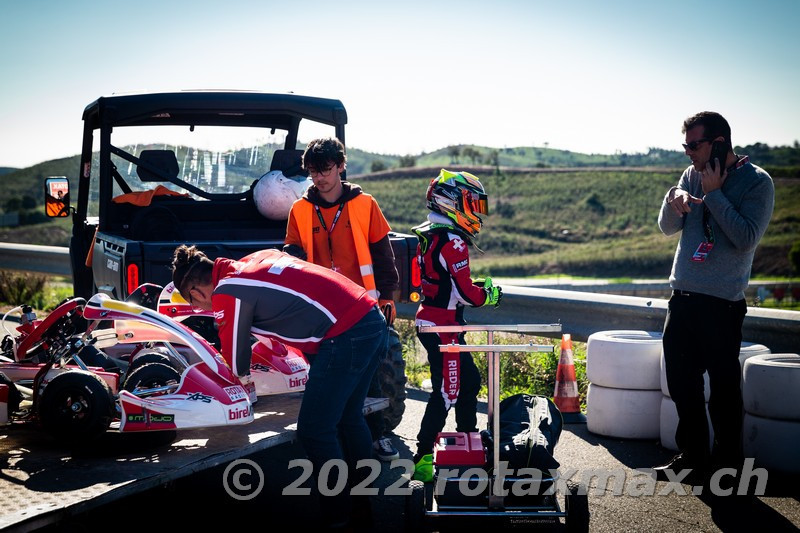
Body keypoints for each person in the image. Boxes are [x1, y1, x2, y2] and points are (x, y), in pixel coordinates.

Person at [171, 244, 387, 528]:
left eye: (195, 303)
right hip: (371, 319)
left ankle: (338, 517)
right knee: (349, 417)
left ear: (197, 292)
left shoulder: (227, 291)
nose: (200, 308)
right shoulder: (254, 259)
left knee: (315, 430)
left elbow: (235, 362)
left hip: (345, 334)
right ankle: (362, 506)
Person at [654, 112, 774, 483]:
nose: (688, 153)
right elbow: (666, 227)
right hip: (683, 298)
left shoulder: (758, 183)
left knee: (723, 392)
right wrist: (672, 199)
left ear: (719, 142)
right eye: (685, 145)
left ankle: (728, 468)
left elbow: (746, 237)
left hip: (722, 304)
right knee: (681, 384)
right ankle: (691, 458)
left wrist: (715, 195)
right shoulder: (690, 174)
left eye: (695, 145)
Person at [284, 137, 402, 463]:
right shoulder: (300, 210)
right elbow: (292, 255)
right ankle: (336, 439)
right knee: (331, 376)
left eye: (324, 169)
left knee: (371, 375)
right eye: (312, 172)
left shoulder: (365, 204)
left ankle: (377, 436)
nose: (319, 177)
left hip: (365, 307)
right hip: (323, 310)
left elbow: (383, 255)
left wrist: (387, 298)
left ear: (340, 165)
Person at [410, 169, 502, 482]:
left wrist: (461, 288)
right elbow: (467, 295)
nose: (476, 212)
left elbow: (432, 281)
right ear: (452, 203)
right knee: (447, 392)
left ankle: (469, 441)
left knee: (471, 381)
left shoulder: (427, 235)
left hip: (435, 321)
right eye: (472, 204)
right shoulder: (454, 243)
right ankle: (421, 457)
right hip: (442, 328)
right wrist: (488, 295)